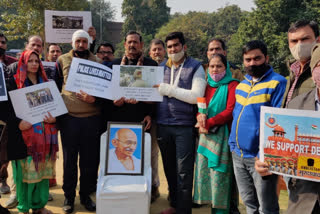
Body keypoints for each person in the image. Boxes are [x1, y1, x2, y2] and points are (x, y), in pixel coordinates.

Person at [255, 43, 320, 214]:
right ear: (313, 70)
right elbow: (283, 150)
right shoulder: (295, 105)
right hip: (302, 200)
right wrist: (267, 164)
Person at [228, 40, 287, 214]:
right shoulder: (242, 85)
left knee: (266, 207)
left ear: (266, 58)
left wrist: (264, 155)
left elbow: (278, 122)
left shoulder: (277, 83)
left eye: (257, 58)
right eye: (248, 59)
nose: (252, 63)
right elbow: (236, 117)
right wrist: (233, 146)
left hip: (260, 158)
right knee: (249, 203)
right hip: (238, 155)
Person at [156, 31, 206, 214]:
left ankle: (184, 210)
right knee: (169, 169)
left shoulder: (196, 67)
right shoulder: (161, 67)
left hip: (184, 126)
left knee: (184, 172)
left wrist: (168, 90)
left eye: (176, 45)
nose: (172, 49)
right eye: (169, 46)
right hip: (162, 124)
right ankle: (175, 205)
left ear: (184, 47)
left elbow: (197, 96)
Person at [2, 50, 57, 214]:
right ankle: (24, 207)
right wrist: (18, 123)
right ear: (23, 63)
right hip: (22, 138)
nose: (34, 64)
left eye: (37, 61)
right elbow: (4, 111)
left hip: (44, 138)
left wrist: (54, 119)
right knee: (24, 176)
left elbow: (55, 108)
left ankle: (39, 206)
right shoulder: (13, 83)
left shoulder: (46, 83)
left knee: (41, 173)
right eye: (30, 61)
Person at [57, 30, 101, 213]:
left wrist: (95, 100)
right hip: (69, 119)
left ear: (89, 42)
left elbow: (104, 92)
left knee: (89, 161)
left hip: (92, 119)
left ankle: (85, 196)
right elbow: (55, 85)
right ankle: (69, 196)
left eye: (85, 41)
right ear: (72, 42)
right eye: (78, 41)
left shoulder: (98, 62)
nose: (81, 44)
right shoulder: (61, 60)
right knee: (69, 161)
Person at [193, 53, 239, 214]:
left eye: (219, 66)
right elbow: (200, 108)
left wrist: (209, 122)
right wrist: (200, 117)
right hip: (206, 137)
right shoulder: (205, 86)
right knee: (209, 177)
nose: (215, 69)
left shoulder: (233, 85)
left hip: (223, 137)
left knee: (221, 178)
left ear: (226, 68)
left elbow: (230, 111)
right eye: (212, 66)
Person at [282, 20, 319, 107]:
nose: (299, 45)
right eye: (294, 41)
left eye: (305, 39)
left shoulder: (317, 72)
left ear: (318, 40)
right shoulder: (293, 70)